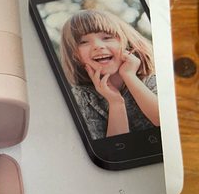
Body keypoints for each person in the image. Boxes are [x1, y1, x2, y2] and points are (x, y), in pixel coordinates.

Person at [60, 9, 159, 139]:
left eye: (107, 38)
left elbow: (168, 124)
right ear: (75, 56)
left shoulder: (151, 79)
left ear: (125, 43)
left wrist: (129, 76)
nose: (98, 46)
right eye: (83, 42)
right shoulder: (83, 97)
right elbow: (112, 149)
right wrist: (115, 103)